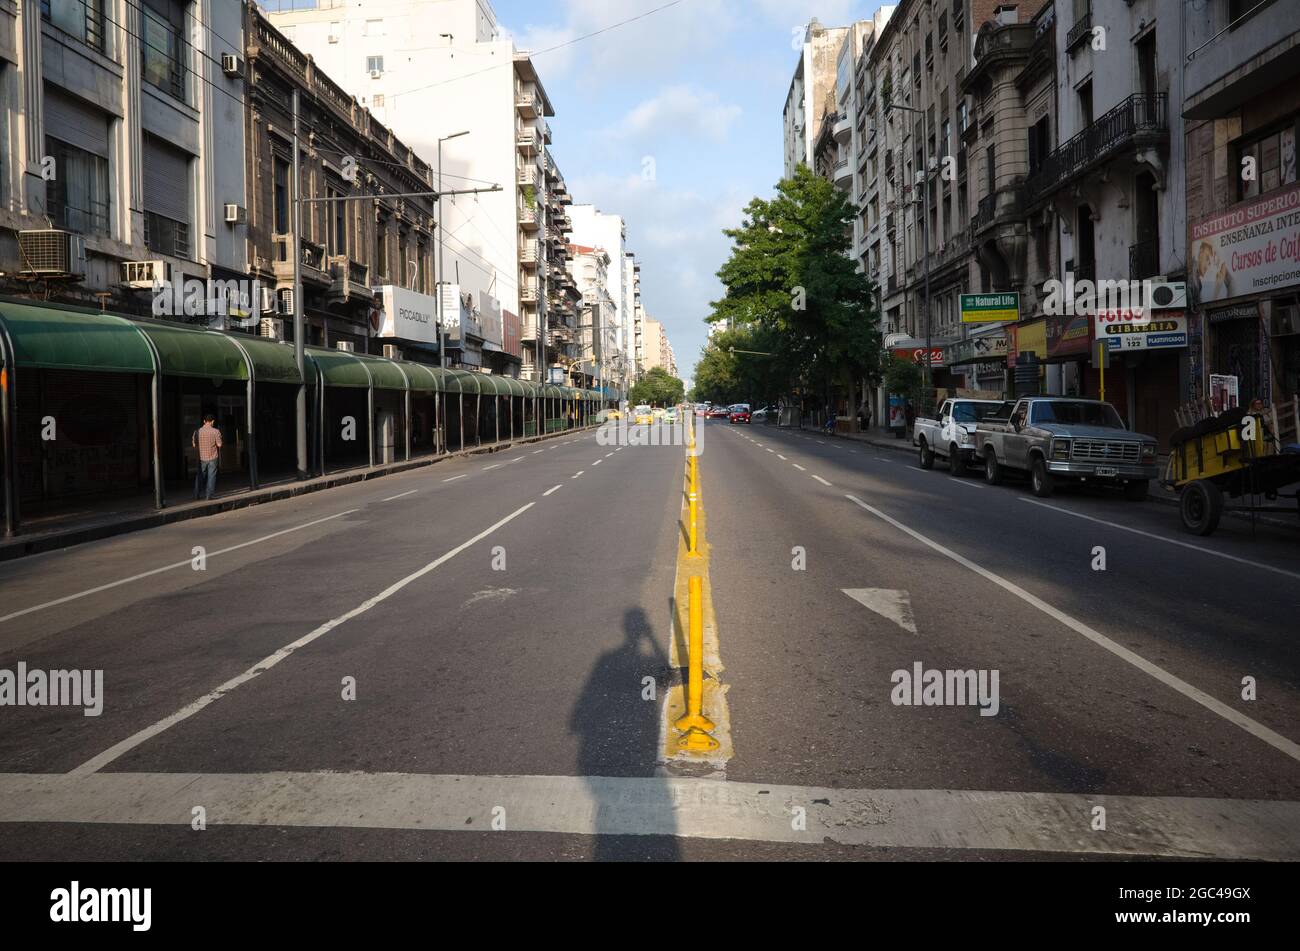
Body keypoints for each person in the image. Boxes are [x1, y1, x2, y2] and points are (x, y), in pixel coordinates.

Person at [193, 413, 222, 501]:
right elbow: (219, 444)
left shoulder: (197, 431)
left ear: (204, 421)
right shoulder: (216, 431)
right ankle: (209, 495)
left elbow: (194, 445)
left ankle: (196, 494)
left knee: (200, 476)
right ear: (212, 421)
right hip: (213, 457)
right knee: (211, 476)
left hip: (202, 457)